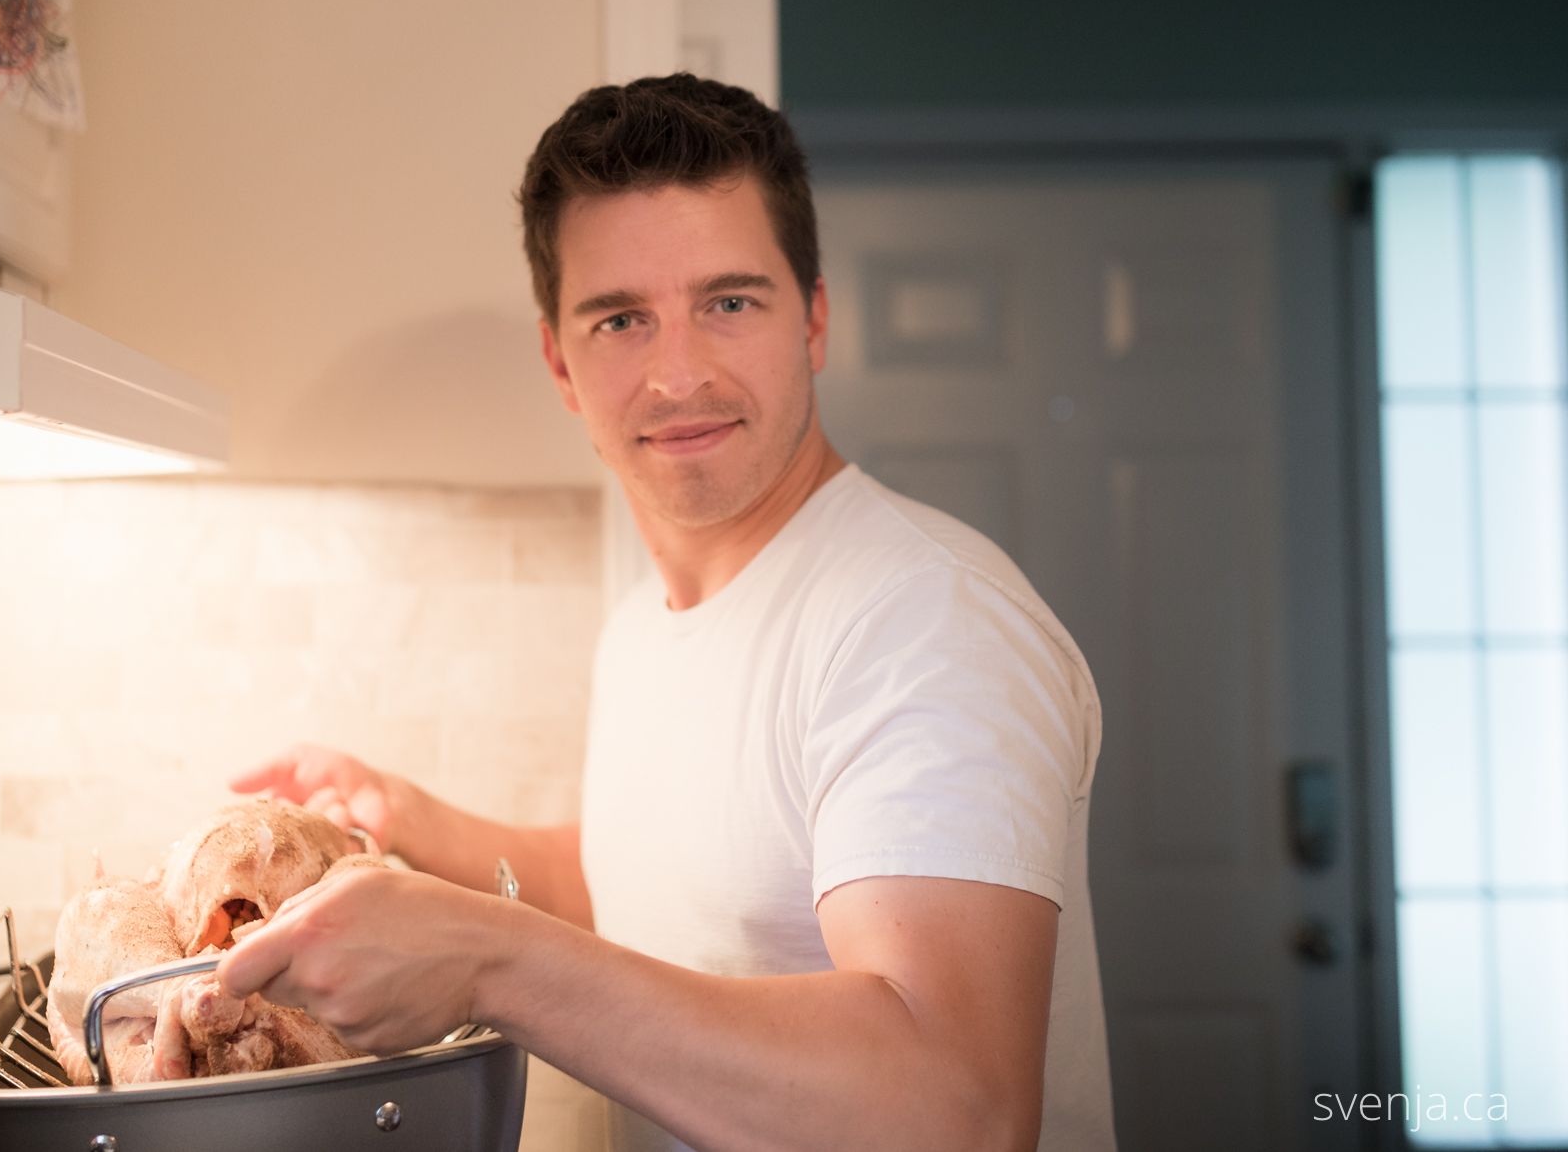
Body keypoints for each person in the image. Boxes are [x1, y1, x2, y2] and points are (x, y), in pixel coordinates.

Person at [220, 74, 1116, 1152]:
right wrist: (414, 820)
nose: (676, 373)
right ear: (560, 360)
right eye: (621, 320)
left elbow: (953, 1108)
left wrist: (487, 954)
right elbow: (671, 893)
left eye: (728, 302)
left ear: (814, 320)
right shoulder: (647, 624)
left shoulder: (922, 621)